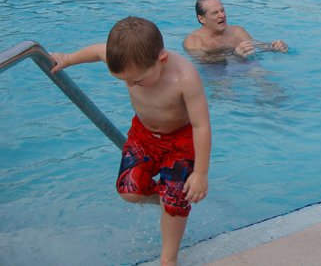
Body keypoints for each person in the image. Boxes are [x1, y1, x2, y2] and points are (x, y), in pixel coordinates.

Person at [50, 16, 211, 266]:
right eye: (124, 80)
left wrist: (200, 173)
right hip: (143, 135)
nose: (131, 84)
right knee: (129, 192)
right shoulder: (128, 59)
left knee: (174, 203)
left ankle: (169, 256)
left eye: (136, 80)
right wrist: (68, 59)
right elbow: (96, 51)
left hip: (180, 141)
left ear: (162, 60)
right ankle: (166, 196)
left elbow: (201, 126)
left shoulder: (185, 77)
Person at [183, 0, 288, 61]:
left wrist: (274, 47)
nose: (222, 15)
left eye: (222, 10)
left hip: (242, 65)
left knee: (261, 75)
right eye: (215, 13)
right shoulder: (193, 40)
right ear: (202, 19)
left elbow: (260, 46)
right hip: (216, 73)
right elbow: (203, 61)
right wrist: (234, 55)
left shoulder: (238, 31)